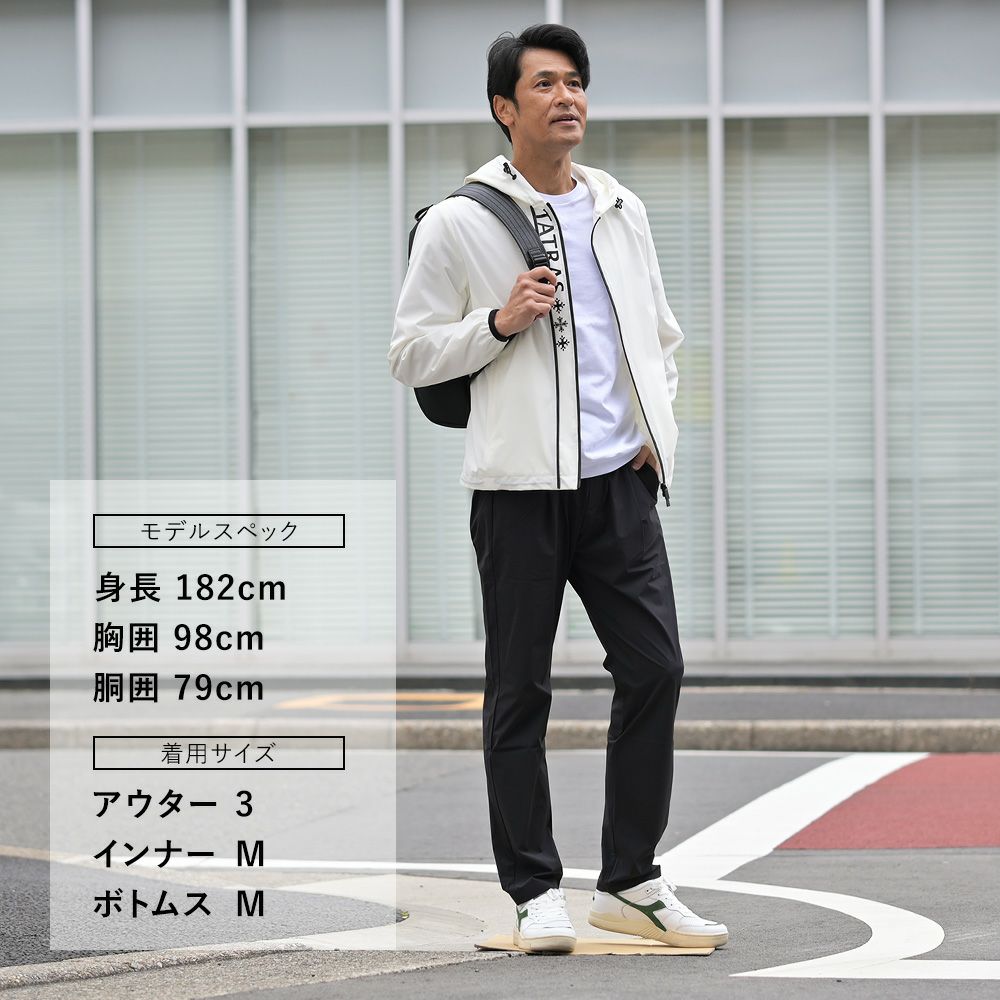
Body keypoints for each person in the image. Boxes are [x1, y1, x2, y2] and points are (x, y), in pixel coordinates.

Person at [388, 23, 729, 954]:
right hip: (519, 492)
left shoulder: (620, 207)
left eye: (575, 81)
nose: (567, 97)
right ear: (506, 108)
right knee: (519, 694)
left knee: (655, 668)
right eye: (545, 84)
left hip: (620, 485)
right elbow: (410, 353)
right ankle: (534, 890)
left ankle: (631, 882)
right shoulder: (460, 220)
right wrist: (497, 323)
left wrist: (656, 433)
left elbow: (658, 334)